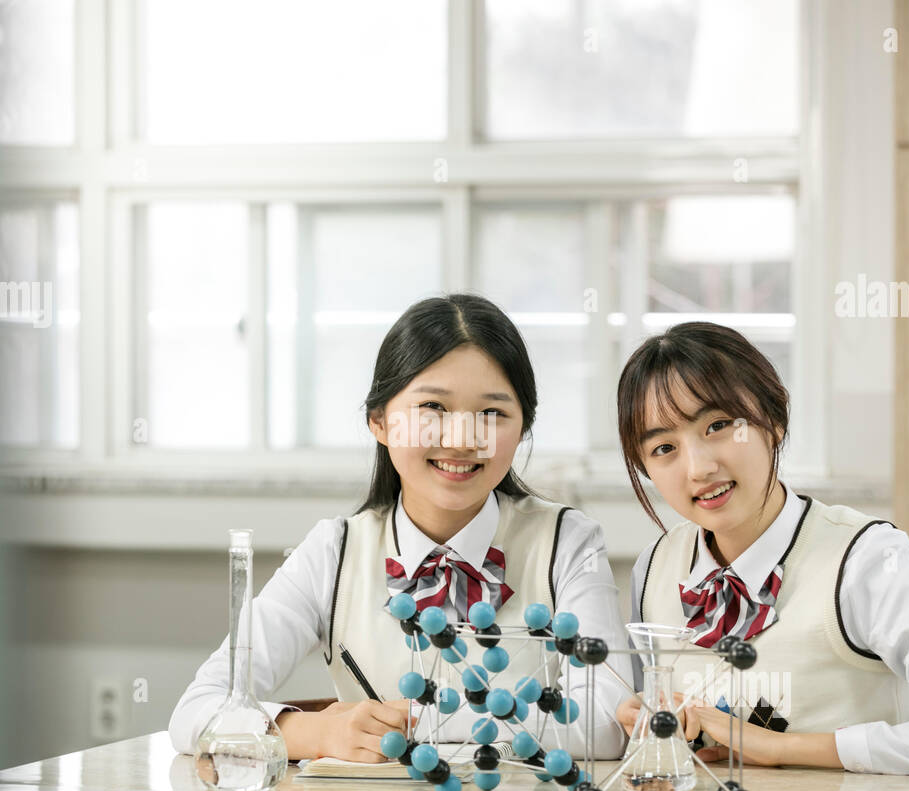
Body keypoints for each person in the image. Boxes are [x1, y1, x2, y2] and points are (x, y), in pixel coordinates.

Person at [170, 294, 630, 762]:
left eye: (492, 413)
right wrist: (315, 734)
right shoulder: (335, 551)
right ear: (379, 420)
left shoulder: (568, 542)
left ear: (523, 427)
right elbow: (198, 711)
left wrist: (421, 720)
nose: (462, 439)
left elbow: (610, 722)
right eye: (433, 407)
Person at [613, 321, 909, 774]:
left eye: (717, 425)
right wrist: (645, 719)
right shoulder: (654, 568)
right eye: (663, 448)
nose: (698, 468)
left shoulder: (866, 558)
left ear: (773, 420)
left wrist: (776, 748)